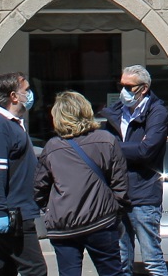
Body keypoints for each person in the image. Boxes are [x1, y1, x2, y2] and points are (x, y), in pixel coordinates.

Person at [36, 91, 130, 276]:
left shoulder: (52, 148)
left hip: (64, 226)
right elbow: (120, 185)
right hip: (101, 221)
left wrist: (51, 210)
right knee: (112, 272)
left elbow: (39, 189)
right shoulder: (106, 140)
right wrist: (115, 212)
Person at [100, 64, 168, 276]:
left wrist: (112, 147)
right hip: (117, 194)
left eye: (129, 87)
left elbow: (146, 151)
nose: (124, 91)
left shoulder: (157, 112)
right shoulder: (115, 113)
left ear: (144, 88)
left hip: (144, 195)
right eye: (121, 86)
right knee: (121, 261)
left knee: (152, 260)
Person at [0, 71, 47, 276]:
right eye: (26, 90)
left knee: (4, 267)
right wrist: (0, 210)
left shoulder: (12, 123)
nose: (31, 94)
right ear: (13, 96)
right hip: (14, 212)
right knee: (36, 270)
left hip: (18, 209)